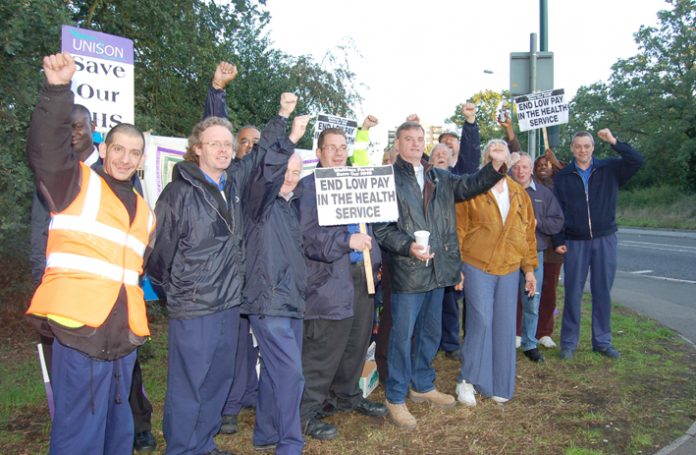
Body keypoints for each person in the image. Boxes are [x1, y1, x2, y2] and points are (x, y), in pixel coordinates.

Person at [148, 61, 300, 453]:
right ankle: (182, 448)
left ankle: (204, 443)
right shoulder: (179, 193)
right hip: (194, 307)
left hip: (230, 304)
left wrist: (281, 117)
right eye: (213, 143)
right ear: (196, 149)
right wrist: (176, 296)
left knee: (218, 381)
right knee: (189, 385)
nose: (222, 148)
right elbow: (158, 257)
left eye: (227, 144)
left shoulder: (233, 185)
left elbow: (264, 153)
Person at [26, 52, 155, 454]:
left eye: (134, 153)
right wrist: (57, 90)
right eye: (118, 149)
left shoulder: (144, 210)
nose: (124, 158)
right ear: (105, 148)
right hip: (80, 333)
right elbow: (46, 150)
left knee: (117, 437)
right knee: (78, 438)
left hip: (123, 341)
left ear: (141, 159)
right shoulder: (75, 183)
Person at [373, 119, 506, 429]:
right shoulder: (387, 178)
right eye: (409, 139)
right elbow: (382, 229)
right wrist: (408, 247)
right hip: (408, 270)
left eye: (420, 139)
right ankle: (395, 397)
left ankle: (422, 385)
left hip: (438, 270)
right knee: (401, 337)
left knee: (431, 333)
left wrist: (496, 167)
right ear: (398, 144)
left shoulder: (441, 177)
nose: (416, 144)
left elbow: (472, 183)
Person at [298, 117, 386, 441]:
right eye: (330, 148)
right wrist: (343, 242)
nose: (337, 153)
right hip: (328, 279)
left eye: (342, 147)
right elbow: (306, 237)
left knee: (356, 342)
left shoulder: (357, 181)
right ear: (319, 152)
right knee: (323, 349)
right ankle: (306, 412)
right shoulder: (309, 188)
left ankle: (347, 395)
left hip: (362, 276)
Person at [454, 140, 538, 406]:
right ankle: (467, 380)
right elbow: (457, 230)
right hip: (477, 264)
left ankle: (499, 384)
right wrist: (456, 266)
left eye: (502, 152)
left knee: (504, 325)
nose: (498, 157)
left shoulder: (518, 193)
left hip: (510, 266)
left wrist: (529, 270)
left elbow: (527, 234)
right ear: (486, 158)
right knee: (481, 321)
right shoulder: (472, 188)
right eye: (493, 153)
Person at [553, 129, 645, 360]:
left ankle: (602, 342)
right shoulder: (563, 176)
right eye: (578, 146)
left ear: (593, 147)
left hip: (604, 239)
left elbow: (637, 160)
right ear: (572, 149)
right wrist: (558, 240)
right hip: (575, 241)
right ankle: (569, 343)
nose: (582, 150)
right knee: (573, 292)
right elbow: (558, 211)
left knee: (602, 291)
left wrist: (614, 141)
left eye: (586, 146)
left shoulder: (609, 169)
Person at [205, 61, 261, 437]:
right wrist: (217, 93)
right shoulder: (230, 179)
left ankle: (253, 394)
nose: (249, 148)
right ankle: (227, 406)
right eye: (243, 143)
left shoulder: (270, 182)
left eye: (256, 144)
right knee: (232, 345)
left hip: (262, 278)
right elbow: (213, 133)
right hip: (229, 280)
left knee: (256, 344)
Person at [241, 148, 308, 453]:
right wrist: (286, 128)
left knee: (273, 370)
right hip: (268, 302)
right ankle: (290, 443)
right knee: (290, 373)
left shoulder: (294, 204)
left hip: (293, 300)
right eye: (285, 171)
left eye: (296, 173)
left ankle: (266, 432)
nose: (290, 179)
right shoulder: (260, 202)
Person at [510, 152, 565, 363]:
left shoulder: (544, 193)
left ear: (530, 169)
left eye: (524, 167)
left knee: (532, 299)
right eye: (516, 167)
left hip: (535, 254)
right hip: (507, 255)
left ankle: (530, 343)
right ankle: (506, 339)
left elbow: (557, 221)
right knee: (506, 300)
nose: (520, 171)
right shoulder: (503, 191)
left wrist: (536, 221)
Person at [533, 149, 565, 348]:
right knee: (526, 291)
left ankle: (544, 332)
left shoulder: (562, 186)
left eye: (547, 164)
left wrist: (557, 161)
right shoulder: (530, 186)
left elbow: (571, 174)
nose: (542, 167)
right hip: (532, 247)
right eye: (539, 165)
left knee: (549, 291)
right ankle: (521, 330)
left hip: (553, 249)